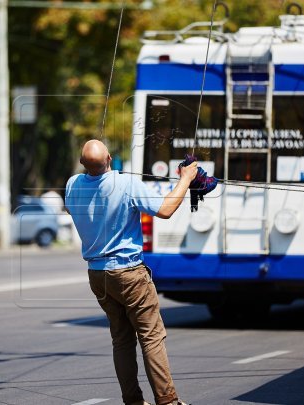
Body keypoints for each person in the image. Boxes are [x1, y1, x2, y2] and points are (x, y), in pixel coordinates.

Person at [64, 139, 197, 405]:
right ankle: (168, 401)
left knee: (122, 340)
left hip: (97, 275)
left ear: (81, 164)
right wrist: (186, 179)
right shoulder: (127, 184)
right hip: (129, 273)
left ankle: (133, 401)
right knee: (151, 337)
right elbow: (166, 209)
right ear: (111, 158)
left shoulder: (71, 185)